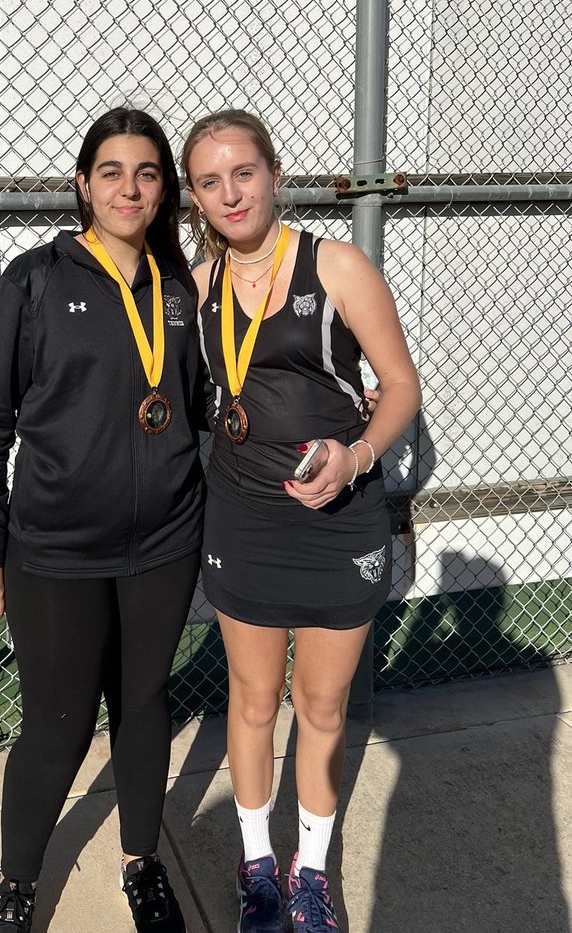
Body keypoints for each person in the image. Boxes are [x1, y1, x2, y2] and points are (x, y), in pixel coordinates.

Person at [0, 108, 207, 933]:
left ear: (163, 187)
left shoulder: (182, 289)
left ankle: (143, 863)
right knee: (56, 730)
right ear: (82, 184)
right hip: (55, 552)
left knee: (143, 708)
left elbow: (204, 405)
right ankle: (17, 882)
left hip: (163, 544)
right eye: (111, 171)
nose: (129, 188)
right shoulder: (34, 281)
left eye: (146, 172)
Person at [182, 110, 422, 933]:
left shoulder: (338, 265)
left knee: (320, 707)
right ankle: (257, 869)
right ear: (197, 197)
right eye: (210, 182)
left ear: (275, 175)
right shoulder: (200, 284)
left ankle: (309, 875)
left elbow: (399, 387)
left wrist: (355, 460)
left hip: (338, 521)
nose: (230, 193)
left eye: (242, 173)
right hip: (243, 518)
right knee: (251, 703)